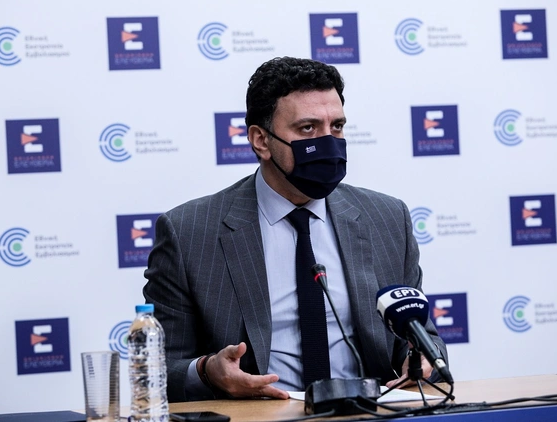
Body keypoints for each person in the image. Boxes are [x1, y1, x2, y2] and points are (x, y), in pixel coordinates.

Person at [143, 56, 448, 403]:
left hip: (369, 411)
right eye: (307, 129)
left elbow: (424, 340)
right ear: (261, 140)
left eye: (336, 127)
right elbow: (159, 369)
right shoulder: (189, 233)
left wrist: (424, 359)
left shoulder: (387, 219)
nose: (328, 142)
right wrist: (207, 371)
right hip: (262, 414)